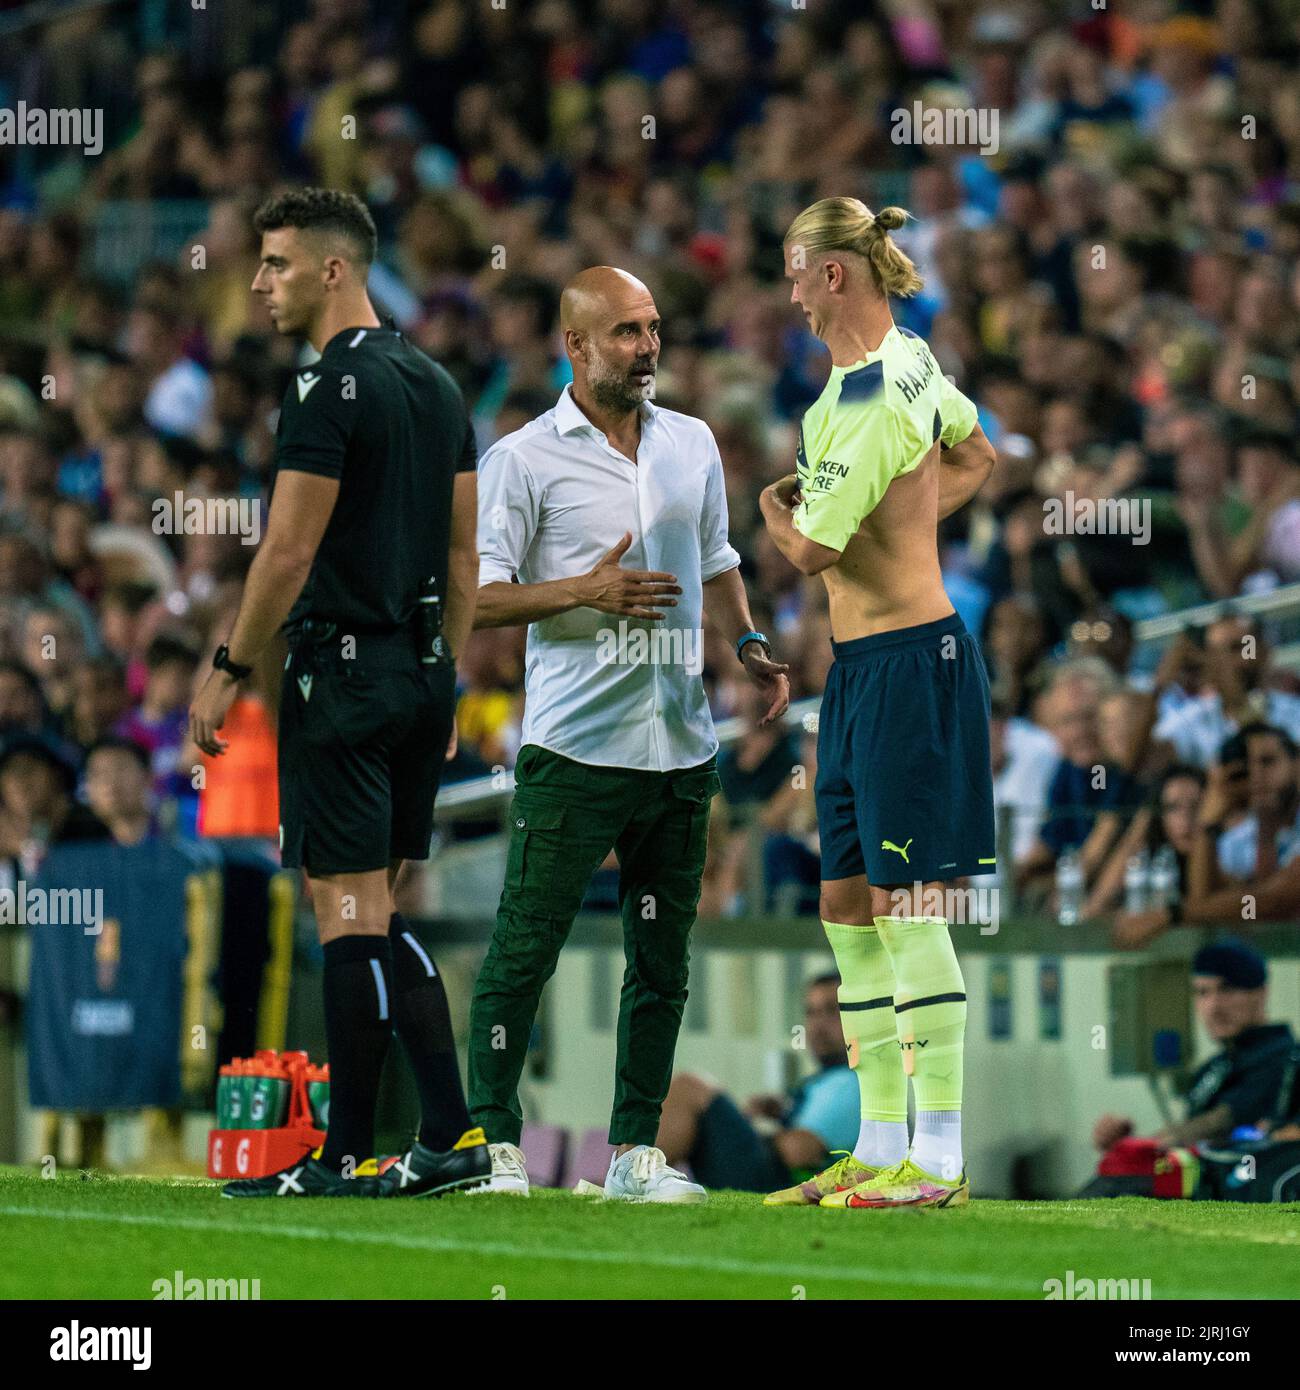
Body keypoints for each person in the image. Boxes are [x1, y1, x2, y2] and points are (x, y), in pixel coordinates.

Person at [467, 265, 789, 1202]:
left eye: (654, 328)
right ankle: (492, 1147)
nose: (649, 346)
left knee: (661, 963)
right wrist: (583, 590)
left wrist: (750, 640)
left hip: (681, 746)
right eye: (628, 333)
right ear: (575, 346)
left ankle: (637, 1156)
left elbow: (721, 561)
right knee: (524, 951)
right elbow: (478, 600)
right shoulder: (522, 460)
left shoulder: (691, 442)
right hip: (573, 747)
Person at [187, 187, 483, 1199]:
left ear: (331, 269)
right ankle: (449, 1136)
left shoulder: (322, 391)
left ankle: (344, 1153)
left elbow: (288, 547)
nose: (258, 282)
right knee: (383, 909)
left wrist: (226, 669)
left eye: (273, 263)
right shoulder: (435, 382)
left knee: (346, 913)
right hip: (418, 673)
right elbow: (460, 548)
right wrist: (443, 672)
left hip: (340, 670)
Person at [759, 197, 996, 1210]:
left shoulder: (864, 405)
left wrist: (774, 511)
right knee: (847, 905)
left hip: (911, 667)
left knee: (909, 905)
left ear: (833, 276)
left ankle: (936, 1160)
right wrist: (907, 525)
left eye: (794, 268)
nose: (787, 286)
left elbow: (809, 547)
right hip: (858, 677)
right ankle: (878, 1140)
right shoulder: (905, 357)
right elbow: (977, 454)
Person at [1087, 941, 1295, 1183]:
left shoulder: (1286, 1060)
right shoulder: (1215, 1067)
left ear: (1261, 993)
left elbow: (1220, 1123)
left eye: (1227, 990)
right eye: (1202, 992)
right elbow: (1191, 1148)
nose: (1213, 1007)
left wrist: (1142, 1147)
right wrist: (1128, 1145)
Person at [657, 974, 859, 1195]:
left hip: (776, 1182)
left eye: (832, 1010)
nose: (818, 1025)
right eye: (811, 1012)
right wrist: (781, 1112)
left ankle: (636, 1177)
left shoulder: (854, 1081)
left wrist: (755, 1130)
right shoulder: (824, 1079)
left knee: (690, 1088)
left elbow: (798, 1152)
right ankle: (637, 1174)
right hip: (768, 1172)